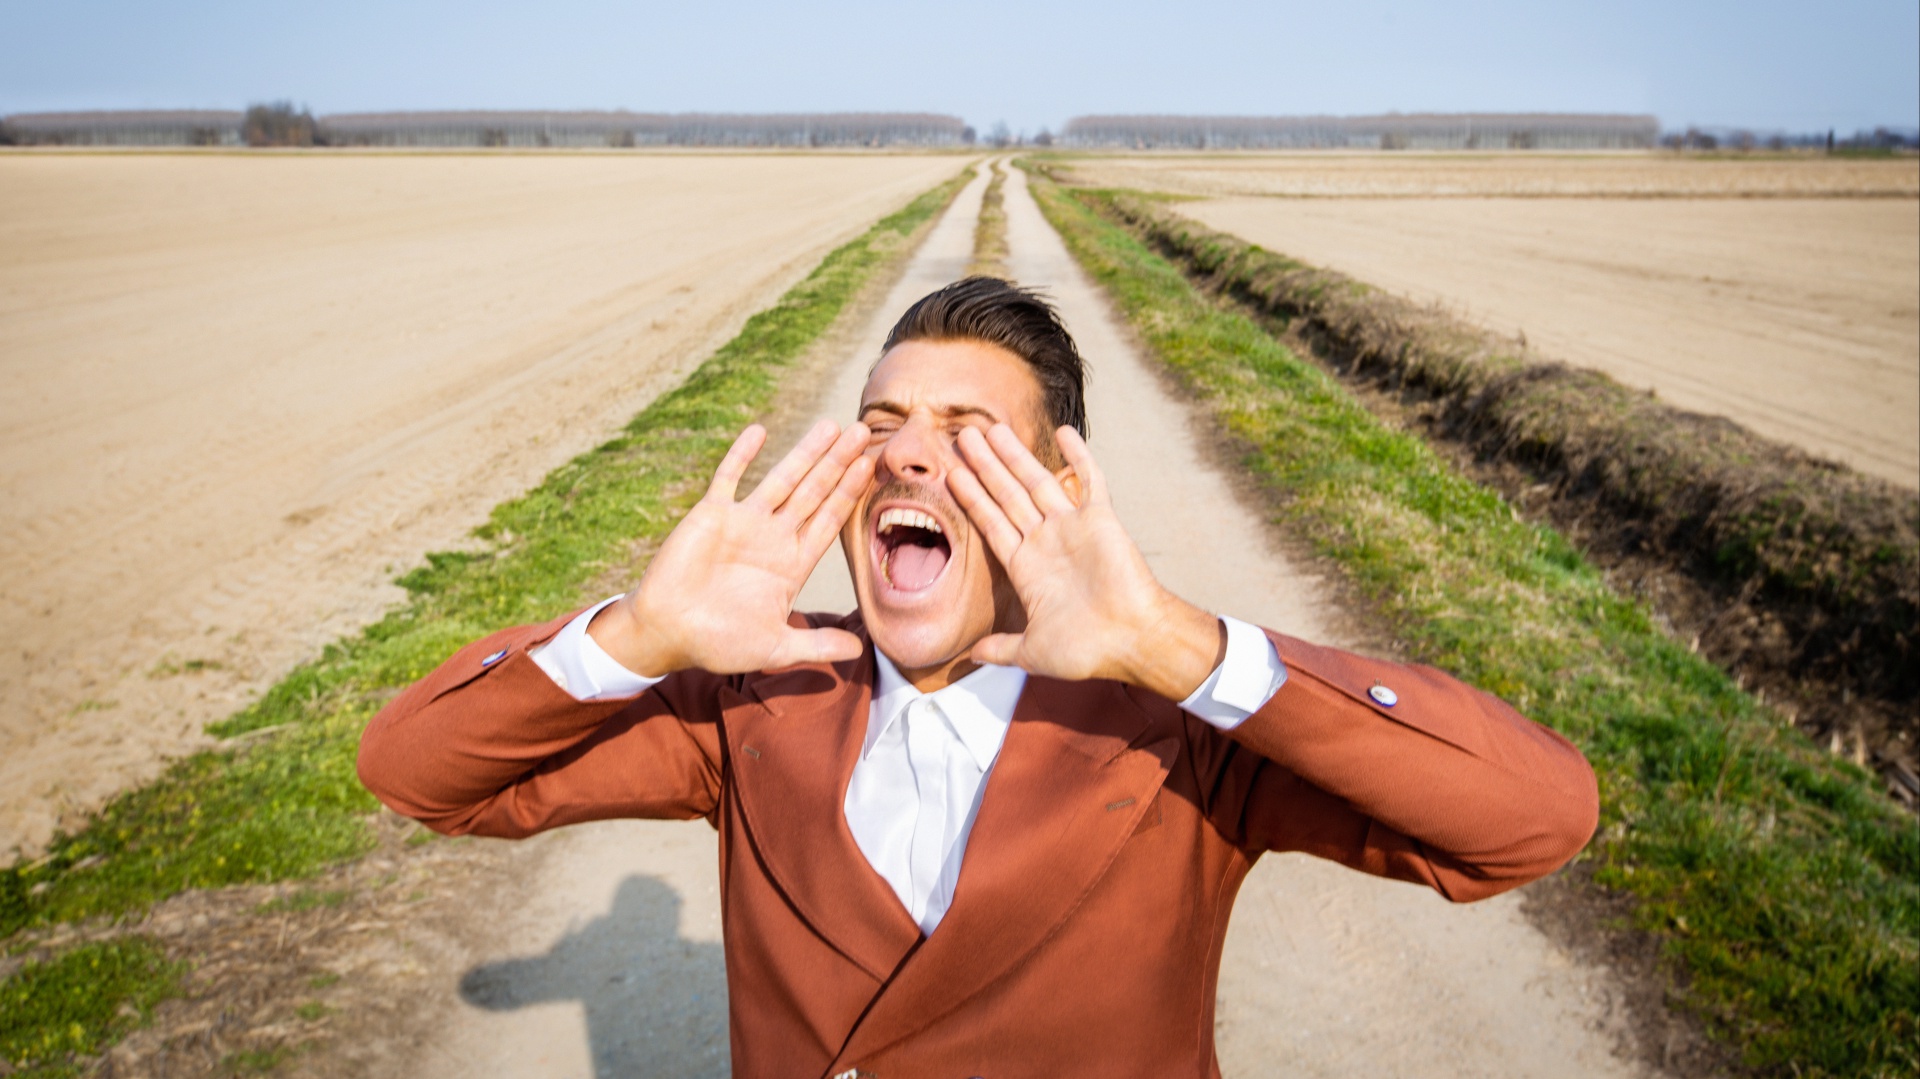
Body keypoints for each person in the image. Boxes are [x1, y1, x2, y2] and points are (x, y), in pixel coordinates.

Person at [358, 277, 1598, 1077]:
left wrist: (1175, 645)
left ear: (1058, 486)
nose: (908, 456)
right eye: (882, 422)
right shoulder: (760, 694)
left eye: (966, 434)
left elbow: (1534, 819)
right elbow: (416, 772)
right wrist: (638, 635)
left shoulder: (1174, 725)